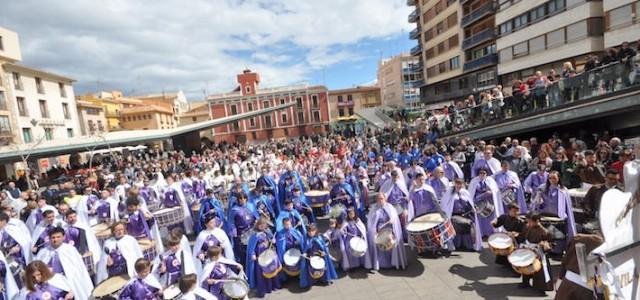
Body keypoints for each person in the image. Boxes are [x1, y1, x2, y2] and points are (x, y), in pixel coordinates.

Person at [34, 226, 93, 299]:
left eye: (58, 237)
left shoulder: (70, 250)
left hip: (69, 281)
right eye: (53, 237)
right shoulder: (43, 252)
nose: (55, 239)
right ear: (49, 238)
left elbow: (79, 270)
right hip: (51, 284)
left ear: (63, 237)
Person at [531, 171, 577, 254]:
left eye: (554, 178)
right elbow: (536, 202)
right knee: (545, 235)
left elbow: (567, 206)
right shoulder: (542, 188)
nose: (552, 180)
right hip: (545, 216)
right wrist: (539, 199)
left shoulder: (563, 190)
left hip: (558, 217)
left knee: (558, 236)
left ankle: (557, 250)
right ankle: (545, 249)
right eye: (550, 178)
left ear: (558, 179)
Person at [555, 234, 605, 300]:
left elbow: (565, 260)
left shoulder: (577, 238)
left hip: (568, 283)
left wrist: (560, 278)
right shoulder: (607, 244)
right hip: (589, 288)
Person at [365, 193, 406, 270]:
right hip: (379, 231)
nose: (380, 200)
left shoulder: (390, 207)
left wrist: (392, 220)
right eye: (378, 199)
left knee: (390, 246)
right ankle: (382, 264)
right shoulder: (374, 209)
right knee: (381, 248)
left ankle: (393, 262)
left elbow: (394, 218)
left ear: (385, 199)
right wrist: (375, 231)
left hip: (389, 231)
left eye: (381, 199)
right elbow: (371, 223)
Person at [441, 179, 482, 252]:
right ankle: (455, 244)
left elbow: (469, 204)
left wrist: (473, 209)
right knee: (469, 223)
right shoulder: (449, 193)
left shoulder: (465, 193)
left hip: (465, 215)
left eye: (460, 184)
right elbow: (444, 206)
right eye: (457, 183)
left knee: (472, 223)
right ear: (454, 184)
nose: (459, 185)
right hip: (453, 215)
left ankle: (469, 244)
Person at [518, 212, 554, 293]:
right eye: (528, 221)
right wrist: (517, 235)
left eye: (530, 221)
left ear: (537, 221)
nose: (528, 223)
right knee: (526, 266)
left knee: (539, 270)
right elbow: (523, 236)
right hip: (529, 249)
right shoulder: (528, 227)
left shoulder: (545, 231)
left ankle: (541, 288)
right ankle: (526, 283)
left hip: (539, 252)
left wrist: (545, 244)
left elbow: (551, 243)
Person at [245, 218, 280, 298]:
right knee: (261, 273)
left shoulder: (266, 232)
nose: (262, 227)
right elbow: (251, 247)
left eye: (264, 225)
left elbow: (271, 239)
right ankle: (263, 290)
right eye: (261, 225)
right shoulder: (254, 235)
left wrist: (273, 240)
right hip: (259, 256)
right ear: (258, 225)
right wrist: (252, 254)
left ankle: (271, 287)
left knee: (270, 270)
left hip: (267, 254)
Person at [300, 223, 338, 288]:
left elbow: (323, 247)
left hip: (319, 255)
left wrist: (323, 253)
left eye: (312, 231)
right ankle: (312, 281)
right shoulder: (306, 239)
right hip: (310, 256)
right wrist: (305, 254)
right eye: (309, 231)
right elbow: (304, 249)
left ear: (315, 231)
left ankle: (325, 279)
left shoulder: (319, 238)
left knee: (323, 267)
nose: (311, 233)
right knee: (310, 269)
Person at [468, 168, 501, 237]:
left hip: (489, 203)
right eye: (480, 173)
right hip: (478, 203)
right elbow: (471, 193)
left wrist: (492, 192)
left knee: (490, 218)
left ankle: (490, 233)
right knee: (480, 219)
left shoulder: (490, 181)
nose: (482, 174)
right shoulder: (474, 181)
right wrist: (482, 195)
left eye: (484, 173)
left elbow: (495, 191)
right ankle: (481, 234)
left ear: (486, 174)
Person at [0, 211, 30, 286]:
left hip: (14, 261)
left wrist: (18, 248)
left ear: (4, 221)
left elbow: (24, 243)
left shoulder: (13, 230)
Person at [227, 193, 256, 267]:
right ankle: (244, 266)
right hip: (241, 233)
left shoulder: (250, 206)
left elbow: (256, 216)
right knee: (243, 252)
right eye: (240, 199)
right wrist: (234, 232)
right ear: (238, 200)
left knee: (253, 249)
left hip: (252, 231)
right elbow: (231, 222)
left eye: (244, 198)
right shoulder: (234, 210)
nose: (242, 200)